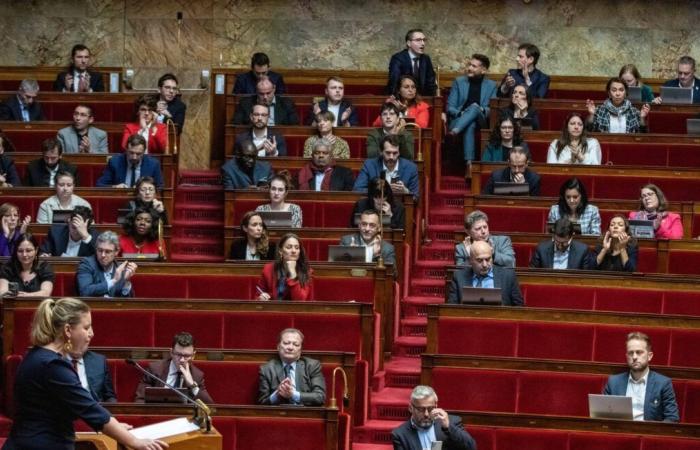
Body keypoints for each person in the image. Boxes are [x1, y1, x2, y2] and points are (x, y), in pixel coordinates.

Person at [2, 298, 168, 449]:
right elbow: (89, 408)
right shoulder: (53, 365)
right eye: (86, 327)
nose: (91, 334)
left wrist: (117, 428)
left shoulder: (36, 356)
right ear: (68, 330)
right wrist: (133, 441)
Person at [602, 331, 679, 422]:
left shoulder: (663, 384)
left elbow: (672, 418)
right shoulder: (613, 382)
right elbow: (602, 415)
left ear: (649, 356)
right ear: (627, 356)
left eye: (639, 352)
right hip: (620, 433)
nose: (634, 357)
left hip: (648, 433)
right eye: (631, 353)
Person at [134, 332, 214, 403]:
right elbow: (140, 400)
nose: (182, 360)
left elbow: (210, 407)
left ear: (193, 356)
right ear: (171, 353)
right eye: (178, 355)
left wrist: (192, 385)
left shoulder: (197, 376)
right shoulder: (155, 369)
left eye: (186, 356)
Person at [446, 54, 498, 163]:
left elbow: (492, 109)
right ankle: (469, 164)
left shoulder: (491, 85)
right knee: (470, 124)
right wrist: (461, 113)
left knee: (474, 108)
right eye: (469, 65)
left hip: (481, 121)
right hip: (459, 119)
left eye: (474, 66)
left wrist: (481, 109)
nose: (469, 68)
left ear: (483, 70)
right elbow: (450, 107)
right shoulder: (459, 82)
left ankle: (455, 132)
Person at [391, 385, 477, 450]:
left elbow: (471, 447)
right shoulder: (400, 434)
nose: (426, 414)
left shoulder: (451, 422)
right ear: (411, 408)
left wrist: (448, 427)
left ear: (436, 405)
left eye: (430, 408)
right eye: (421, 409)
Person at [257, 328, 326, 406]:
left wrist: (293, 394)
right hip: (278, 415)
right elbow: (262, 403)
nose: (290, 347)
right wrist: (277, 395)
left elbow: (320, 397)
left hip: (306, 414)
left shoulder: (312, 366)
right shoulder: (266, 369)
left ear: (301, 349)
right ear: (278, 347)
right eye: (286, 343)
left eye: (296, 344)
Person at [447, 240, 523, 306]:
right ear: (470, 261)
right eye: (479, 260)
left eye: (488, 259)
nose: (485, 265)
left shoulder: (508, 276)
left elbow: (519, 308)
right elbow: (452, 309)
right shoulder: (459, 277)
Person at [355, 134, 420, 200]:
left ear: (399, 153)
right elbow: (357, 189)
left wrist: (406, 192)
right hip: (375, 206)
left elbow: (416, 197)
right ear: (381, 152)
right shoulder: (369, 165)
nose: (391, 157)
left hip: (400, 207)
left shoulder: (411, 168)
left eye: (395, 153)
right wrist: (382, 190)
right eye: (388, 153)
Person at [76, 231, 137, 298]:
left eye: (107, 252)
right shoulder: (87, 264)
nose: (103, 255)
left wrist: (126, 281)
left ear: (116, 252)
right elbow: (85, 291)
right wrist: (113, 281)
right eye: (100, 250)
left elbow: (128, 301)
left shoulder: (120, 269)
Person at [256, 233, 313, 301]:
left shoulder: (306, 271)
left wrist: (293, 273)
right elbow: (258, 294)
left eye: (297, 248)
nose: (294, 251)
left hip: (295, 310)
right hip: (273, 309)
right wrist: (261, 297)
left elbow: (299, 301)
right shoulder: (268, 269)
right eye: (289, 247)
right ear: (280, 251)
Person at [96, 134, 164, 188]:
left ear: (144, 152)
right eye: (131, 153)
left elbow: (160, 187)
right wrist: (115, 186)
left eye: (138, 154)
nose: (134, 157)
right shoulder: (114, 162)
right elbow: (100, 185)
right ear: (126, 150)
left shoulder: (153, 164)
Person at [529, 217, 593, 270]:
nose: (560, 246)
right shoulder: (541, 249)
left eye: (564, 243)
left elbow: (586, 277)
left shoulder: (582, 250)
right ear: (553, 236)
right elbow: (532, 273)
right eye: (557, 241)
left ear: (571, 237)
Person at [387, 29, 436, 97]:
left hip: (422, 99)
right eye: (418, 40)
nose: (423, 43)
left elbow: (431, 84)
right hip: (402, 99)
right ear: (409, 43)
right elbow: (394, 84)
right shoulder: (398, 58)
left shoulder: (426, 59)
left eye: (424, 40)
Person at [232, 77, 299, 126]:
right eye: (261, 94)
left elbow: (295, 127)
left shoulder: (287, 104)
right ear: (256, 91)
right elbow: (236, 125)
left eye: (268, 93)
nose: (265, 97)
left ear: (274, 89)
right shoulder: (245, 103)